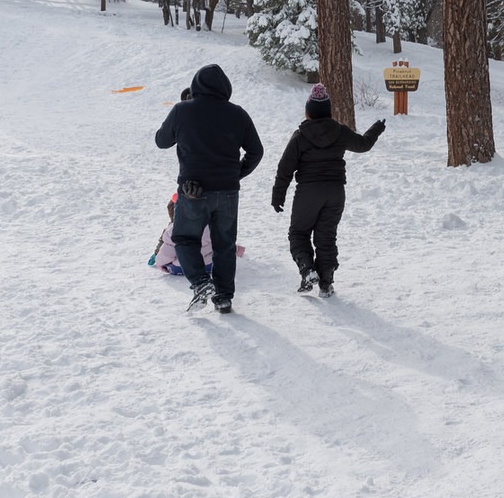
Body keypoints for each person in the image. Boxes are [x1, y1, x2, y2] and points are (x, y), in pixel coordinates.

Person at [155, 64, 264, 313]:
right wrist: (236, 173)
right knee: (224, 244)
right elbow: (256, 151)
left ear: (196, 86)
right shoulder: (238, 114)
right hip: (228, 192)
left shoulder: (182, 110)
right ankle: (223, 298)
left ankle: (201, 283)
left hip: (193, 190)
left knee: (184, 238)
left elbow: (161, 141)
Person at [270, 83, 385, 297]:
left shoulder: (300, 136)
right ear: (328, 110)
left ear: (308, 111)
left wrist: (278, 195)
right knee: (326, 237)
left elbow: (285, 168)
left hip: (308, 193)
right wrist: (376, 128)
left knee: (298, 232)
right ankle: (326, 283)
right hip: (335, 192)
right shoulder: (339, 132)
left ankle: (307, 270)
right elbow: (363, 144)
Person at [150, 192, 245, 275]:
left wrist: (159, 262)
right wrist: (236, 249)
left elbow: (167, 251)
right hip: (209, 264)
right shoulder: (211, 224)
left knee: (176, 256)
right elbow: (223, 242)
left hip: (182, 267)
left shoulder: (172, 229)